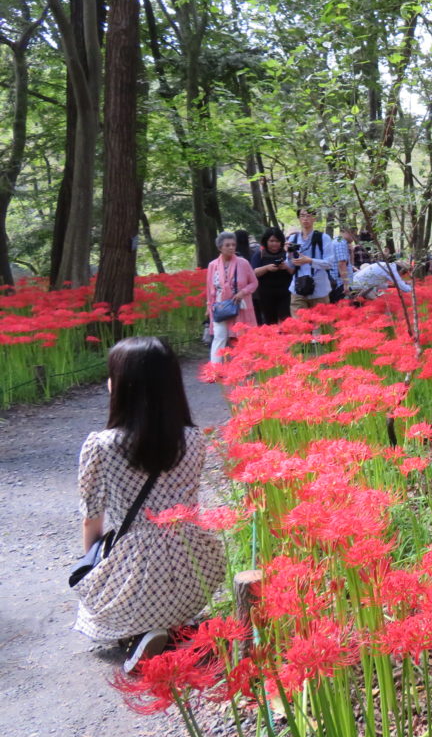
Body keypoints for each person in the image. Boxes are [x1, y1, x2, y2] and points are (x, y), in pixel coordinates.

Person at [74, 337, 225, 673]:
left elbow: (92, 520)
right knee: (169, 600)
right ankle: (176, 632)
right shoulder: (193, 439)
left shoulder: (101, 445)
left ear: (122, 386)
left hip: (134, 563)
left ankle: (141, 639)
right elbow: (191, 506)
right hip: (190, 560)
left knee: (98, 600)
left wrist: (94, 569)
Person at [206, 232, 258, 364]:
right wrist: (209, 306)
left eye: (233, 245)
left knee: (241, 337)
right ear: (220, 248)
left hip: (239, 304)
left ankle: (245, 366)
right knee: (219, 337)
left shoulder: (243, 263)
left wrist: (243, 292)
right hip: (220, 305)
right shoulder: (213, 265)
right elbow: (210, 288)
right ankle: (215, 369)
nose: (231, 248)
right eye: (227, 245)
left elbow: (254, 283)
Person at [286, 208, 337, 312]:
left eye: (309, 215)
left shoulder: (324, 238)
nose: (305, 219)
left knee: (321, 325)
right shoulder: (292, 239)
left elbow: (329, 263)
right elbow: (289, 266)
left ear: (314, 218)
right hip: (297, 289)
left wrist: (310, 261)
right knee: (299, 326)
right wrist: (289, 254)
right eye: (302, 216)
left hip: (319, 288)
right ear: (299, 218)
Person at [251, 226, 293, 325]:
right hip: (266, 294)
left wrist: (286, 267)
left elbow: (294, 271)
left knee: (286, 321)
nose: (274, 244)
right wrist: (267, 268)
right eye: (271, 241)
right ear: (266, 241)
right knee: (270, 322)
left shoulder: (287, 254)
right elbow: (253, 272)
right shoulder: (259, 254)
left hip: (285, 294)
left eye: (277, 241)